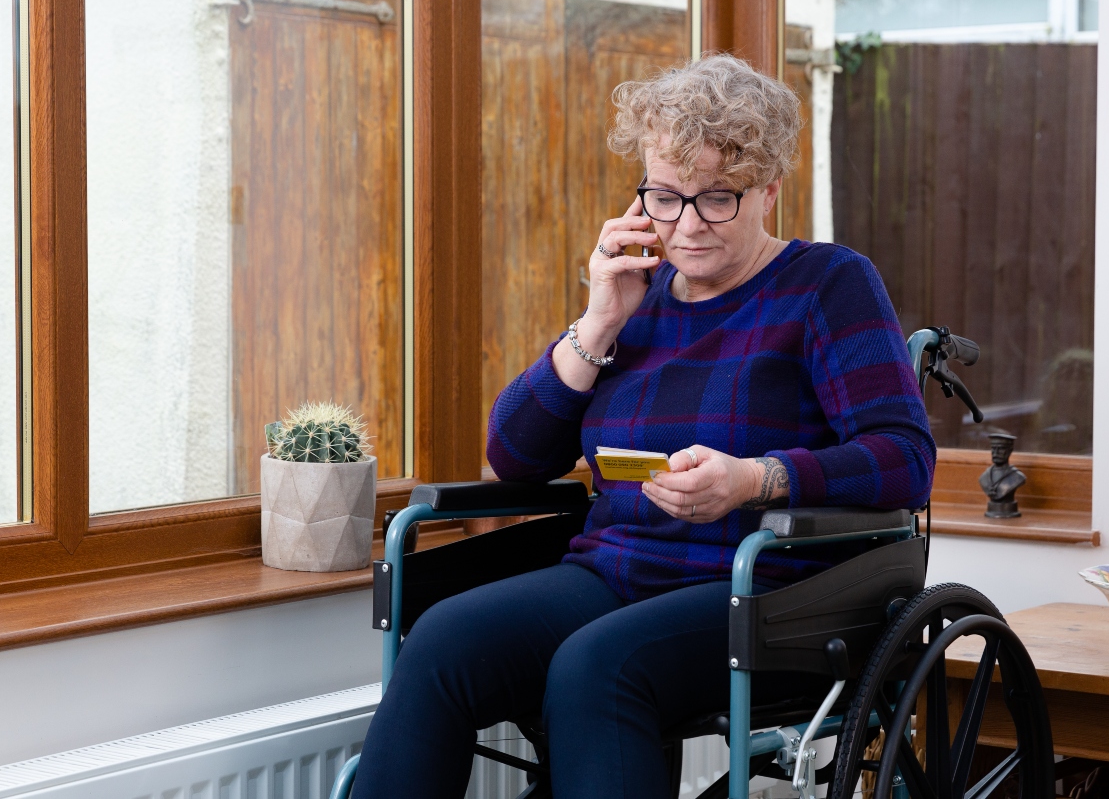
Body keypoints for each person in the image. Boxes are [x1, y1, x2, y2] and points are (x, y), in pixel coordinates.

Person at [351, 53, 935, 799]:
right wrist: (599, 320)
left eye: (717, 198)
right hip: (614, 571)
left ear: (768, 191)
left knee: (597, 666)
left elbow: (904, 458)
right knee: (442, 642)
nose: (685, 226)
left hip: (762, 588)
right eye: (665, 197)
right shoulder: (636, 294)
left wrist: (756, 479)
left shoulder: (827, 284)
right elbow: (515, 458)